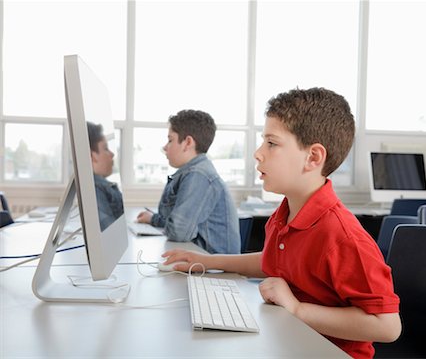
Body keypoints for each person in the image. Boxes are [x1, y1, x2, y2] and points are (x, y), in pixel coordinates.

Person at [160, 88, 401, 358]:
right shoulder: (285, 213)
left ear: (313, 157)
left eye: (271, 143)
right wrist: (208, 261)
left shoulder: (341, 235)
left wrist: (297, 309)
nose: (258, 153)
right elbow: (271, 261)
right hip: (289, 342)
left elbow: (387, 326)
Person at [136, 109, 240, 254]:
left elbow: (178, 231)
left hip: (215, 271)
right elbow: (172, 222)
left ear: (187, 143)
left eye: (170, 140)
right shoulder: (191, 172)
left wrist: (154, 219)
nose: (165, 147)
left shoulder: (199, 175)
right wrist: (153, 219)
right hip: (200, 260)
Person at [87, 121, 124, 231]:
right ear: (91, 155)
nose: (112, 154)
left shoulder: (101, 185)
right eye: (105, 148)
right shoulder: (95, 188)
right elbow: (110, 231)